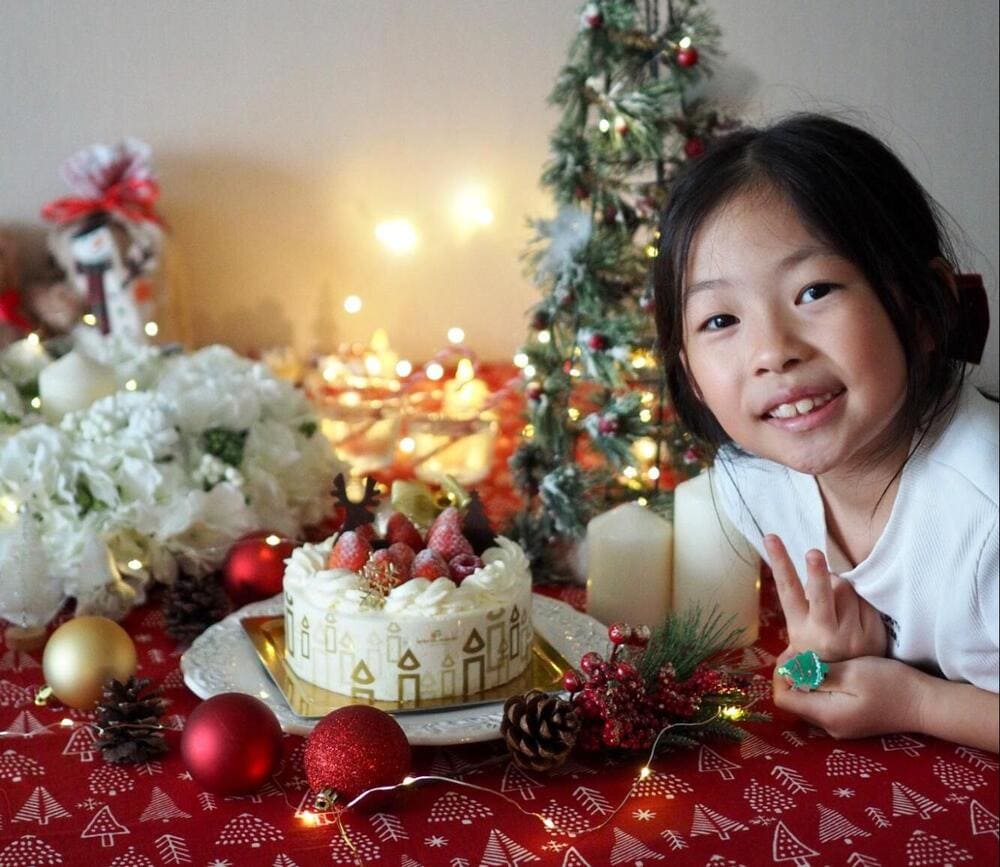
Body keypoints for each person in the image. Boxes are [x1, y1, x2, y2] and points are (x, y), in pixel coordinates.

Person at [653, 113, 998, 752]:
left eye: (814, 291)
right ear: (690, 375)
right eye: (721, 320)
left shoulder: (986, 513)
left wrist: (919, 702)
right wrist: (822, 655)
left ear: (925, 309)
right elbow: (815, 669)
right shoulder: (756, 483)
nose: (772, 352)